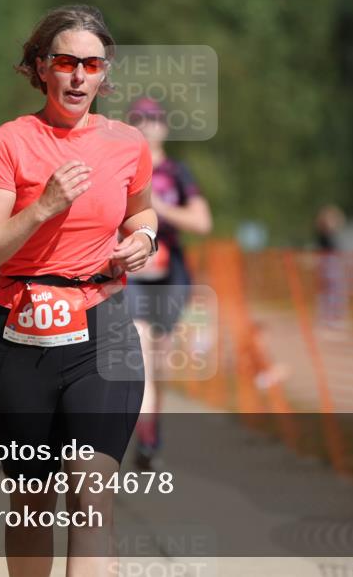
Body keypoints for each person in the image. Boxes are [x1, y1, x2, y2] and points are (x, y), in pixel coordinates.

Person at [0, 4, 156, 576]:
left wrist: (143, 239)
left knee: (91, 496)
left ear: (104, 74)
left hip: (104, 330)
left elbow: (142, 215)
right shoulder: (9, 142)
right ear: (41, 68)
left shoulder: (127, 144)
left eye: (92, 65)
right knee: (31, 503)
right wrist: (44, 206)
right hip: (21, 335)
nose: (79, 77)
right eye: (66, 62)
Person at [122, 97, 212, 471]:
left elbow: (202, 223)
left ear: (165, 127)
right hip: (131, 272)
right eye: (139, 118)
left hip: (170, 274)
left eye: (154, 118)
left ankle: (152, 432)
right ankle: (141, 435)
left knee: (160, 361)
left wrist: (159, 207)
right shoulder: (120, 168)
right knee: (139, 351)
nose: (147, 124)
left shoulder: (177, 173)